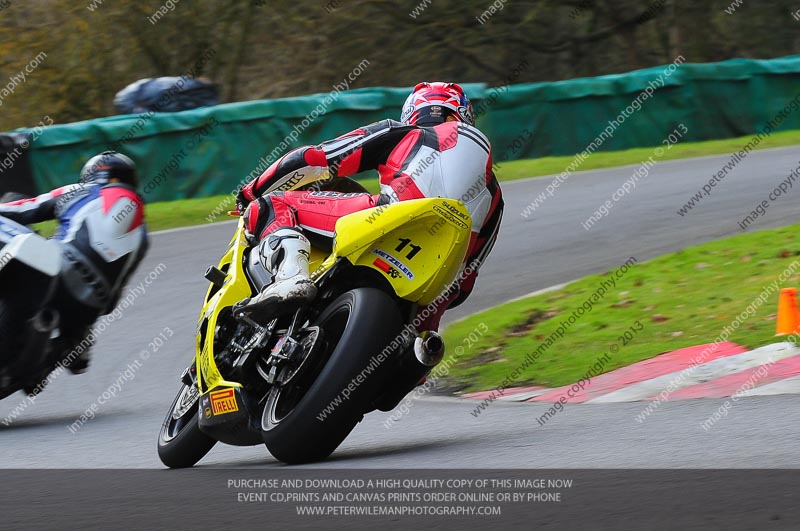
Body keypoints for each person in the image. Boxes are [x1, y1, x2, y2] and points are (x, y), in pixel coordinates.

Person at [235, 81, 503, 335]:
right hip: (435, 284)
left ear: (411, 113)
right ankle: (418, 349)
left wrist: (251, 191)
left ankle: (291, 277)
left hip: (388, 216)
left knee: (270, 205)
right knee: (420, 347)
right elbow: (466, 282)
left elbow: (312, 159)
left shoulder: (404, 133)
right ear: (464, 115)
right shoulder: (496, 196)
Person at [0, 151, 149, 374]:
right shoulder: (143, 235)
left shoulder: (80, 190)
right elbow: (117, 290)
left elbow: (23, 209)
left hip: (57, 270)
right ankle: (75, 344)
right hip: (92, 305)